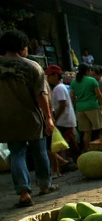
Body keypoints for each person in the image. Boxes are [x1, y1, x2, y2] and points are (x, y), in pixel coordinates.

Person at [0, 30, 57, 208]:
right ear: (22, 47)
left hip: (6, 119)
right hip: (32, 118)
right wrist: (48, 118)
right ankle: (45, 186)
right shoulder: (32, 66)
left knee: (17, 154)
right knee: (39, 151)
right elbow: (41, 95)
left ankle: (24, 192)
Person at [45, 65, 81, 166]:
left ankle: (63, 163)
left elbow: (62, 103)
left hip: (63, 120)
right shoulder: (60, 87)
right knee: (71, 143)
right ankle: (74, 159)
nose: (48, 79)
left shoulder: (59, 88)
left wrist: (55, 117)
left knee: (60, 144)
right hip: (66, 120)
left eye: (49, 76)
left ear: (56, 75)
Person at [70, 62, 102, 152]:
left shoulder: (74, 82)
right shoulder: (92, 80)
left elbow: (72, 95)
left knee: (87, 132)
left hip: (80, 108)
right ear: (88, 71)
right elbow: (99, 96)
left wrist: (78, 104)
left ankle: (87, 150)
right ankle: (101, 148)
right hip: (92, 107)